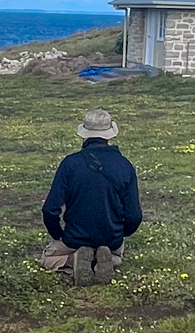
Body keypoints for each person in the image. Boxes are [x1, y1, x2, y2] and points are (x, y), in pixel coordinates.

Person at [40, 108, 142, 285]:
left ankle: (73, 260)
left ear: (84, 134)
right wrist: (120, 233)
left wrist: (59, 235)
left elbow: (50, 210)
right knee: (117, 253)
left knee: (47, 259)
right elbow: (134, 215)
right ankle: (107, 258)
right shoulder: (124, 165)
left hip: (74, 237)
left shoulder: (70, 164)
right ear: (111, 134)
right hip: (111, 237)